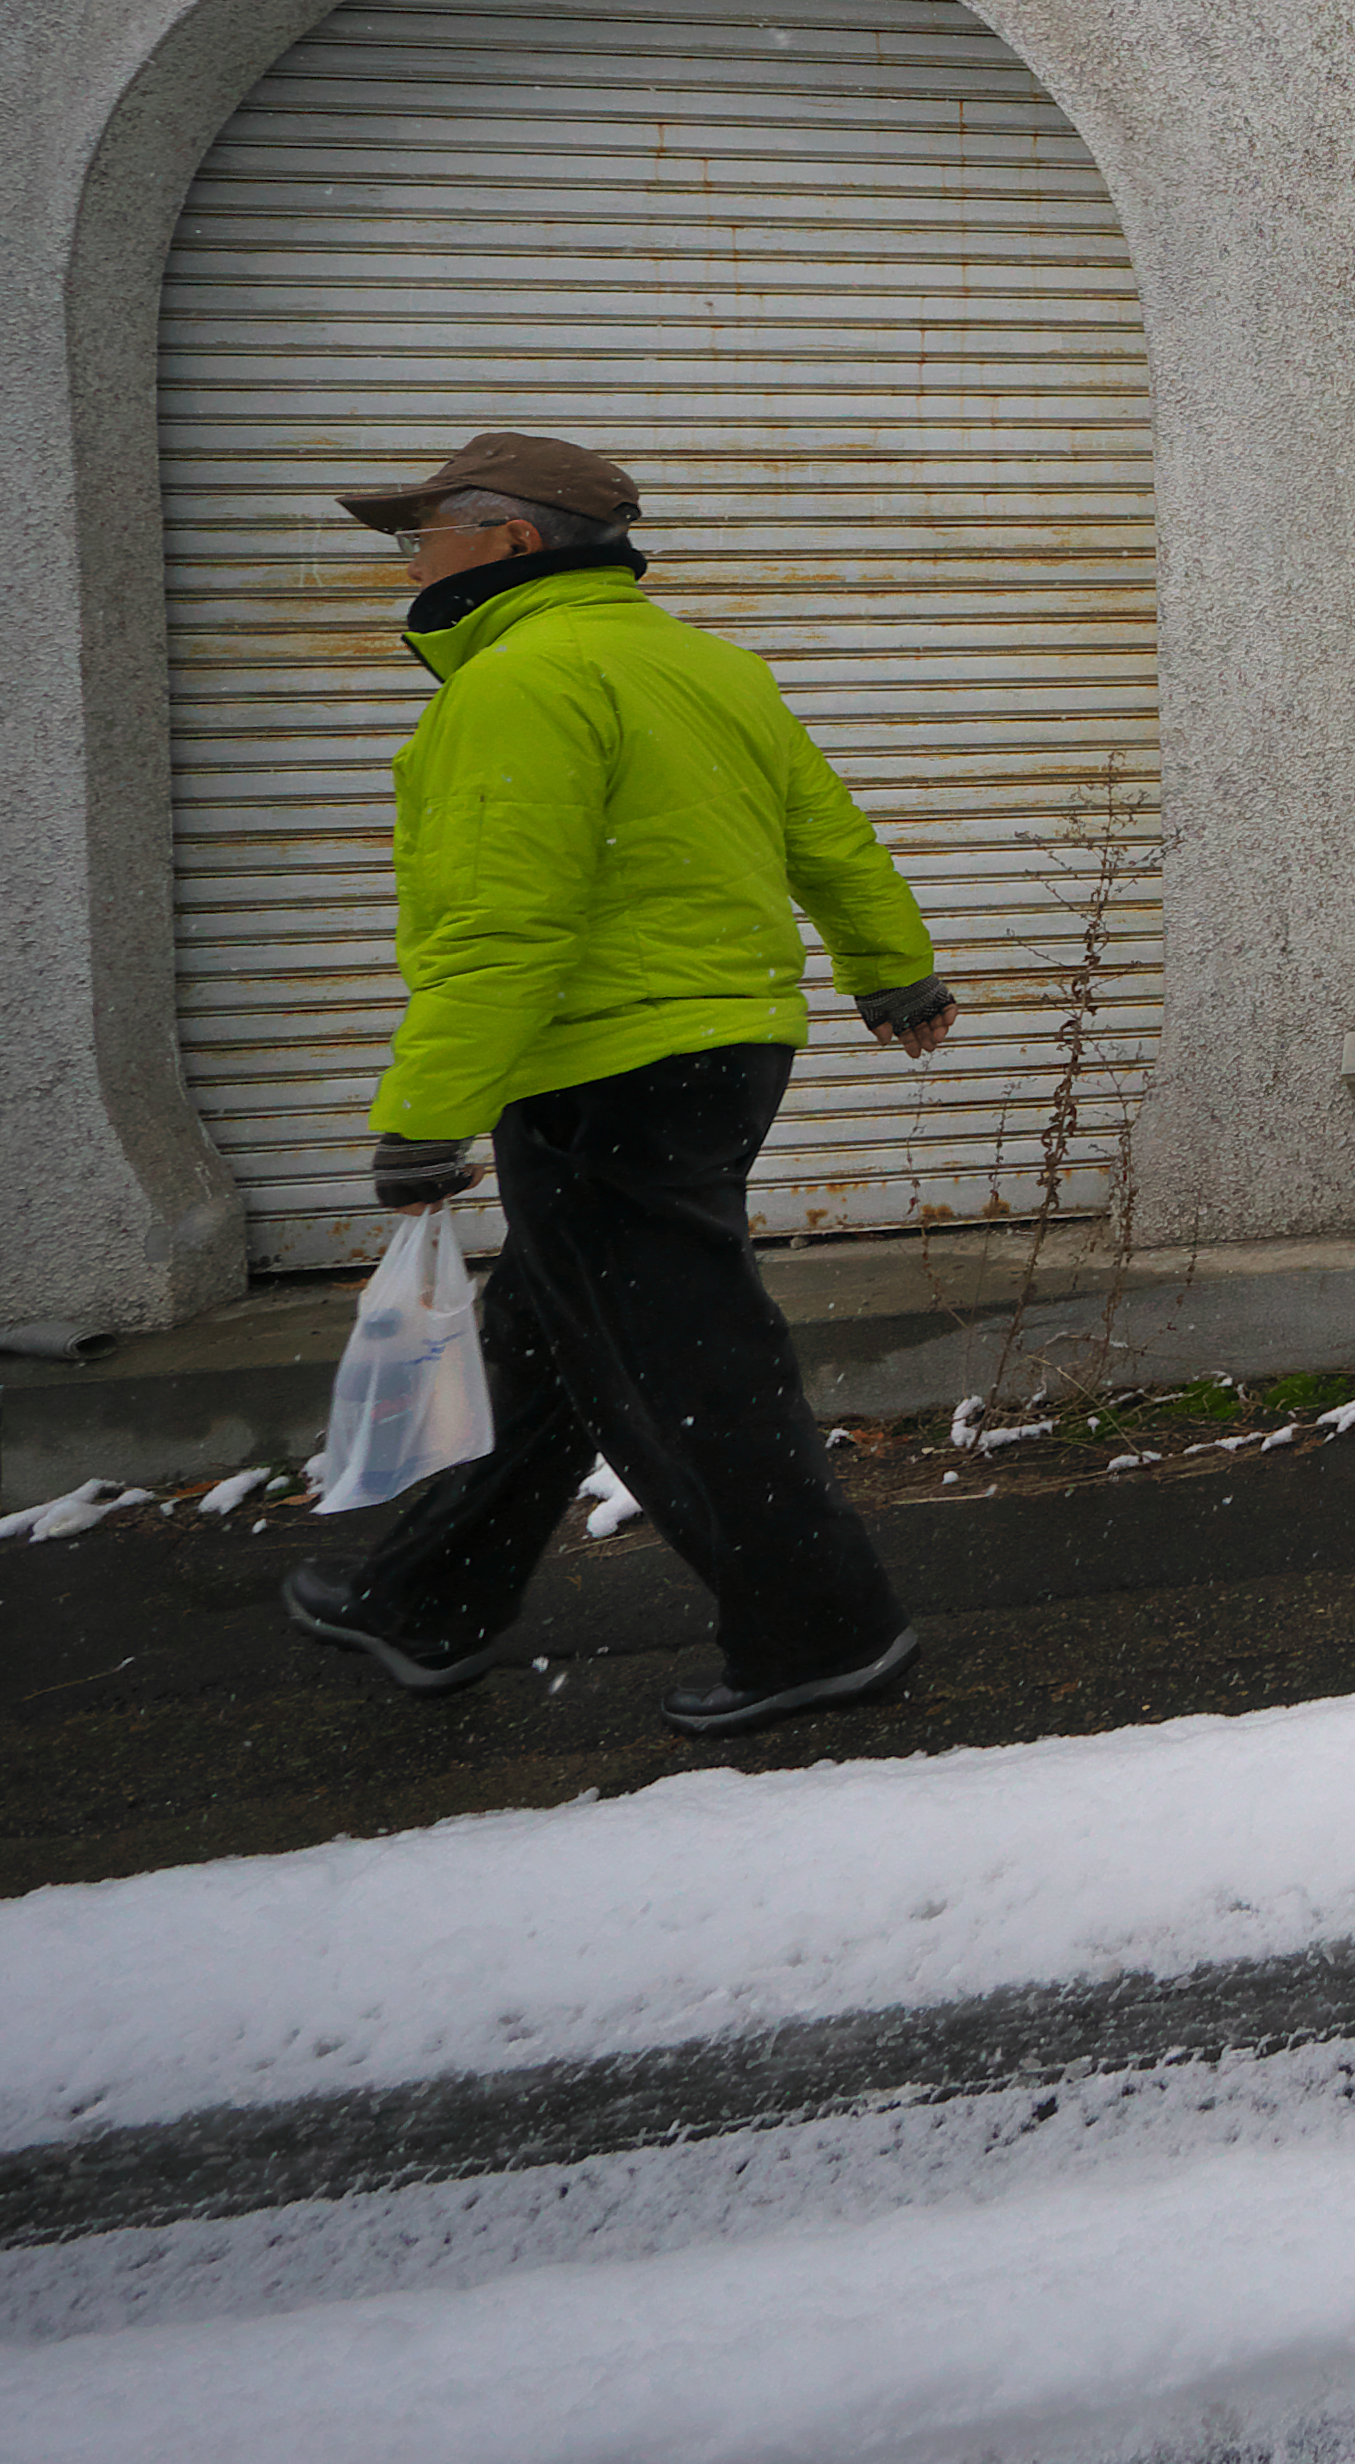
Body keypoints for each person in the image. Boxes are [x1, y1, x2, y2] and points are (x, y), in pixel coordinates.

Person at [279, 428, 954, 1738]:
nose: (413, 558)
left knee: (686, 1371)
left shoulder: (523, 681)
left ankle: (826, 1634)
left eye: (429, 532)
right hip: (719, 1051)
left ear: (512, 542)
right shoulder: (702, 665)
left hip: (608, 1068)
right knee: (559, 1350)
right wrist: (893, 973)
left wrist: (425, 1115)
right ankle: (427, 1600)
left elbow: (502, 928)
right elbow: (828, 831)